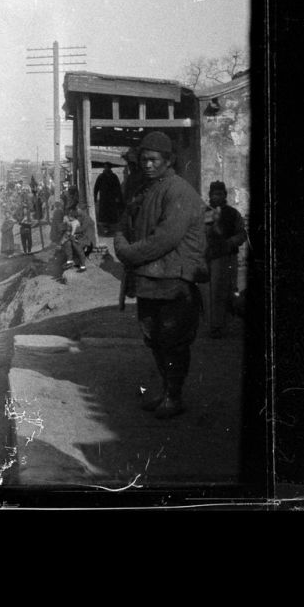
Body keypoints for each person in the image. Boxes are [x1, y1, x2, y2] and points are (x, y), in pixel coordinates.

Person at [112, 131, 207, 419]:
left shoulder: (178, 192)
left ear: (169, 160)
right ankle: (166, 391)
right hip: (150, 280)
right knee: (153, 338)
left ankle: (174, 396)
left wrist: (126, 252)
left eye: (153, 160)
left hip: (173, 281)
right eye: (144, 160)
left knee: (173, 341)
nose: (148, 165)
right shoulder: (147, 190)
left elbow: (164, 240)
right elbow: (123, 226)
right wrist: (121, 241)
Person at [203, 181, 247, 337]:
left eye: (220, 194)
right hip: (209, 258)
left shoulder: (233, 213)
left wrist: (230, 242)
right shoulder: (204, 212)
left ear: (225, 196)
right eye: (214, 194)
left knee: (226, 292)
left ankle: (222, 326)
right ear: (209, 195)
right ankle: (212, 326)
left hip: (228, 258)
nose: (217, 197)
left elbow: (242, 234)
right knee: (210, 293)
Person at [95, 163, 124, 234]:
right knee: (104, 215)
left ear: (110, 168)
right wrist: (95, 197)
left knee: (111, 215)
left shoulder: (114, 176)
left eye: (107, 167)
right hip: (104, 199)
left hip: (112, 199)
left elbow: (118, 188)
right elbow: (96, 188)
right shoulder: (101, 177)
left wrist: (118, 198)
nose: (106, 169)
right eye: (105, 167)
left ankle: (111, 229)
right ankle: (105, 229)